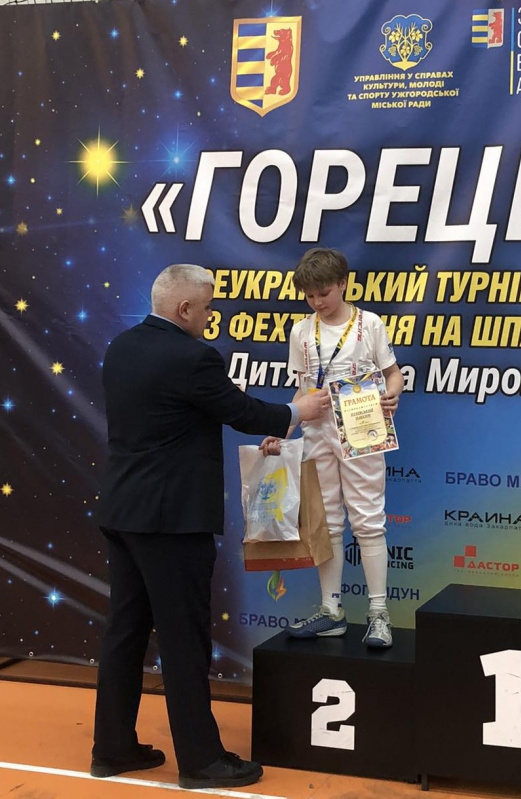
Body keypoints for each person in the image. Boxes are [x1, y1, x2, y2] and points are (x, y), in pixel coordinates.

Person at [91, 264, 329, 790]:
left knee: (124, 633)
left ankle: (111, 748)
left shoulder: (122, 346)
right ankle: (201, 761)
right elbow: (241, 412)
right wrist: (298, 410)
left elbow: (174, 411)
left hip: (123, 512)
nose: (210, 315)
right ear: (184, 309)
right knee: (184, 641)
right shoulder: (194, 357)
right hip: (171, 522)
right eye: (207, 307)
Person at [260, 248, 403, 648]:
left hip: (362, 429)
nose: (317, 302)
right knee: (327, 523)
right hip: (317, 432)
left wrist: (392, 395)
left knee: (368, 520)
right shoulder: (301, 332)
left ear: (343, 283)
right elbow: (303, 390)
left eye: (323, 293)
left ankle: (378, 613)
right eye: (309, 296)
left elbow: (393, 374)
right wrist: (283, 430)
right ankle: (331, 610)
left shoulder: (369, 324)